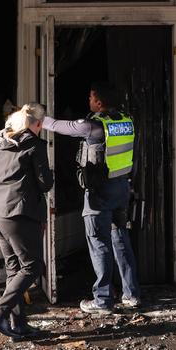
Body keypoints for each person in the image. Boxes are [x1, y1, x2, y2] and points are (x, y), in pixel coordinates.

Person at [43, 82, 140, 314]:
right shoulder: (127, 121)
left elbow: (59, 126)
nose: (88, 101)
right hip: (121, 188)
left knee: (99, 243)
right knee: (120, 240)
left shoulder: (93, 126)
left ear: (98, 102)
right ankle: (131, 294)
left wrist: (34, 117)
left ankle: (103, 300)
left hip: (100, 193)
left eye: (90, 97)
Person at [0, 103, 53, 338]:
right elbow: (45, 183)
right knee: (32, 267)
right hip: (17, 214)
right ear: (38, 124)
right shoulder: (34, 145)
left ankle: (18, 324)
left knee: (14, 269)